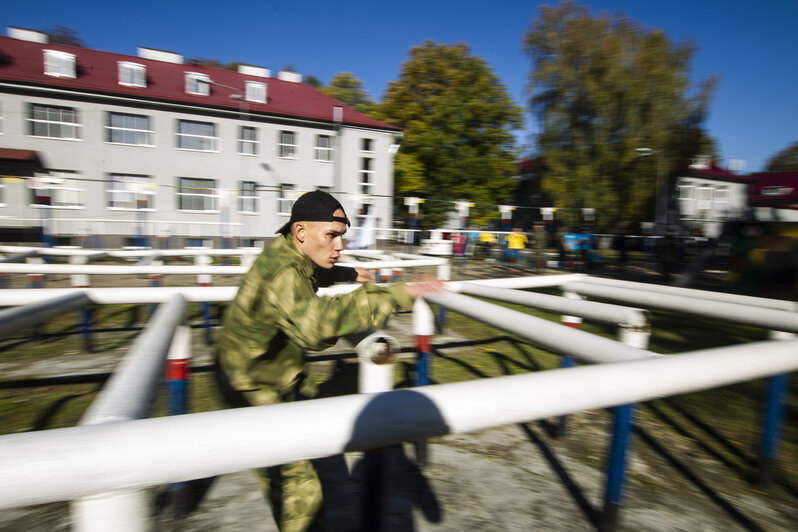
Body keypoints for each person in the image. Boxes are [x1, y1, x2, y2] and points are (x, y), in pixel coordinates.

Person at [215, 189, 442, 532]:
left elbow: (309, 271)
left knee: (317, 437)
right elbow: (315, 329)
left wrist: (349, 275)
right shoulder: (283, 272)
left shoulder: (284, 250)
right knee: (300, 492)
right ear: (301, 232)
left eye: (342, 237)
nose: (340, 246)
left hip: (273, 371)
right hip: (251, 385)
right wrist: (397, 293)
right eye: (332, 236)